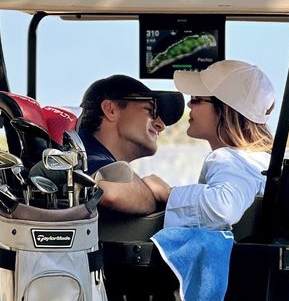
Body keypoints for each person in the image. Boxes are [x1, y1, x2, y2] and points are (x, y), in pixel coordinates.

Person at [142, 60, 275, 228]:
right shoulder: (258, 161)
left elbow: (224, 208)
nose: (189, 104)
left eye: (196, 99)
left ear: (225, 110)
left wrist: (169, 194)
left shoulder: (230, 159)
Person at [77, 74, 185, 213]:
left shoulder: (90, 158)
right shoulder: (83, 159)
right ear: (111, 110)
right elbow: (111, 191)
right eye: (151, 110)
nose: (161, 125)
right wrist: (161, 193)